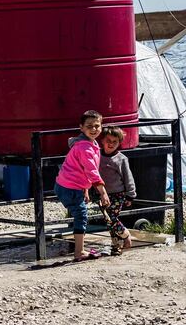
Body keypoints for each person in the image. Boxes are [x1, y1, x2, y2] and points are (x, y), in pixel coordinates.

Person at [55, 110, 110, 262]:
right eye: (89, 126)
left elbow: (82, 170)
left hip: (72, 185)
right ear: (81, 128)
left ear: (101, 126)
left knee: (80, 214)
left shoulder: (92, 144)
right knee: (81, 215)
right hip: (69, 187)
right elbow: (91, 171)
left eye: (97, 126)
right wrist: (103, 193)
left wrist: (85, 189)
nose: (94, 129)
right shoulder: (84, 148)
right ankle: (79, 251)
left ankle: (79, 248)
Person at [96, 126, 136, 256]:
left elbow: (128, 177)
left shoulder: (121, 159)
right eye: (108, 140)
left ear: (119, 143)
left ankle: (126, 235)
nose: (111, 144)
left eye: (115, 142)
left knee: (112, 217)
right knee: (109, 221)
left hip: (118, 194)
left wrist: (130, 195)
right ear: (102, 140)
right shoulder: (96, 155)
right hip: (102, 194)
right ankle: (116, 245)